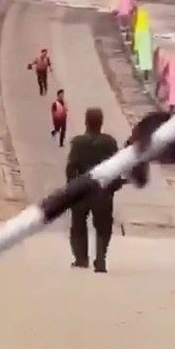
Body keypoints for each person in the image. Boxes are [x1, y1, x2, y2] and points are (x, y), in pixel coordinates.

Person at [66, 108, 120, 272]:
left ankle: (81, 258)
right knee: (104, 227)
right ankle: (101, 259)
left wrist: (71, 188)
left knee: (78, 225)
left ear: (86, 122)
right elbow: (117, 166)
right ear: (101, 122)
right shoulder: (110, 143)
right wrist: (113, 187)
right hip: (102, 190)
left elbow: (71, 168)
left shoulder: (78, 143)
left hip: (82, 189)